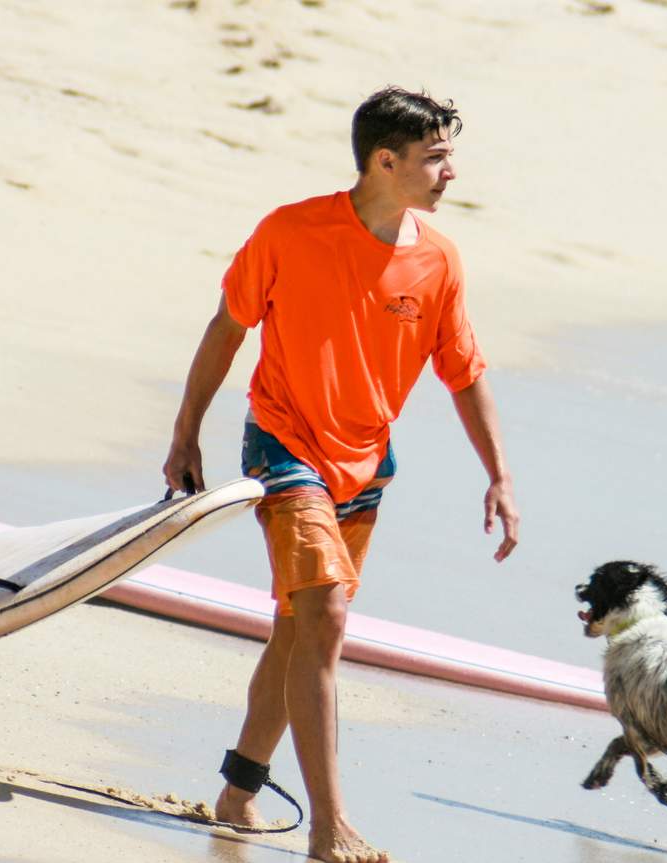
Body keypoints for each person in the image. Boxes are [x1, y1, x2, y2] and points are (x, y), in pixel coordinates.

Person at [162, 87, 519, 863]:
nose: (451, 171)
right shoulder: (291, 231)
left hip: (366, 465)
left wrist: (499, 475)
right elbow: (229, 325)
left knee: (296, 629)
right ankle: (330, 825)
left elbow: (463, 372)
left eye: (449, 154)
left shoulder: (438, 257)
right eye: (435, 157)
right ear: (383, 161)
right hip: (284, 444)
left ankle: (237, 791)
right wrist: (185, 432)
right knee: (322, 618)